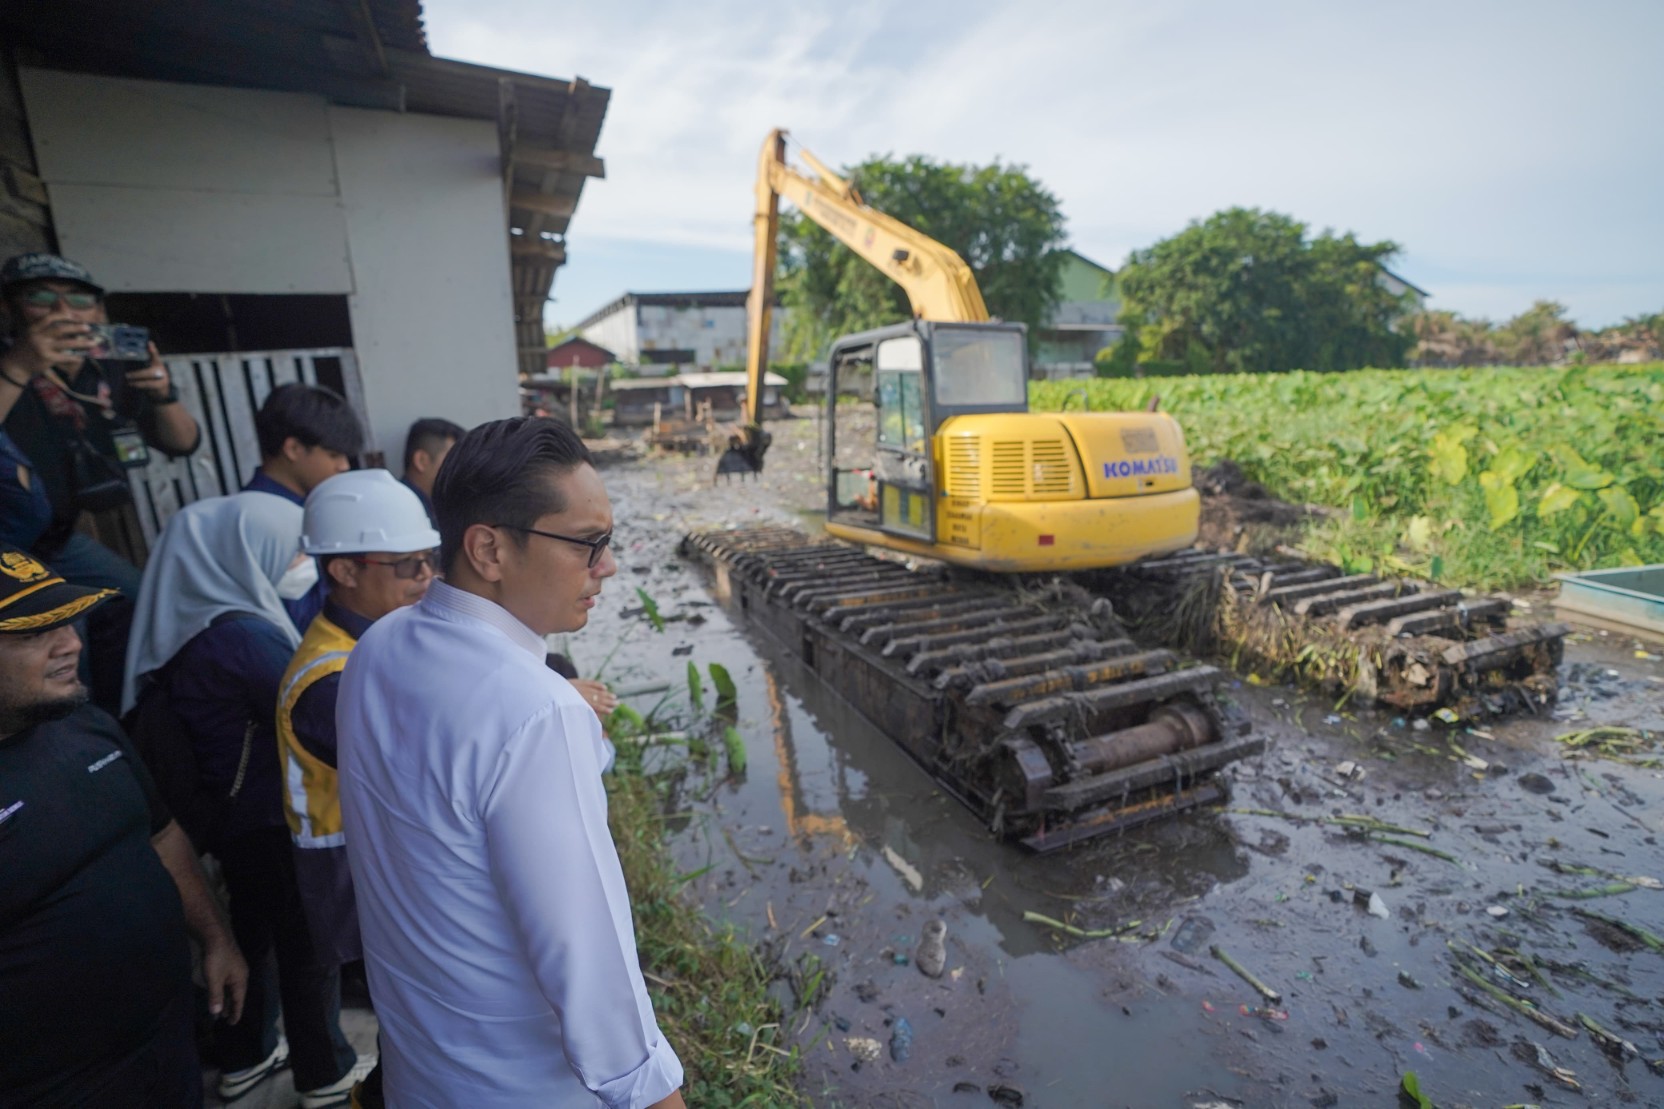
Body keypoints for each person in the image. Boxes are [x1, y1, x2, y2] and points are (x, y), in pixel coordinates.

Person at [338, 417, 686, 1107]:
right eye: (589, 544)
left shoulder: (376, 649)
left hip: (424, 1073)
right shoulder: (538, 710)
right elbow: (589, 968)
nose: (608, 567)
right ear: (489, 549)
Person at [123, 494, 373, 1107]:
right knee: (307, 953)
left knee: (249, 943)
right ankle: (326, 1072)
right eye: (288, 551)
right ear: (243, 554)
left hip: (234, 822)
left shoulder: (189, 628)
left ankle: (247, 1055)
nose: (298, 563)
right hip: (274, 822)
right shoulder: (244, 637)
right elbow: (316, 714)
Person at [0, 546, 247, 1108]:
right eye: (35, 633)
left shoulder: (87, 727)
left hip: (167, 1050)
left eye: (66, 621)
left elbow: (161, 836)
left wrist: (215, 937)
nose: (72, 644)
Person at [0, 252, 202, 714]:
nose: (64, 312)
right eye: (42, 298)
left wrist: (162, 393)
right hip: (8, 542)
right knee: (65, 638)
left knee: (140, 599)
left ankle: (132, 712)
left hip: (57, 535)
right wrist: (19, 366)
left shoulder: (107, 365)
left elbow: (183, 442)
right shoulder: (9, 363)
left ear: (101, 313)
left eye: (79, 300)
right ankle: (80, 731)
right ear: (9, 310)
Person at [243, 382, 365, 632]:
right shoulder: (268, 522)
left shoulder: (310, 507)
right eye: (334, 455)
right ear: (293, 449)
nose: (344, 466)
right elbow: (303, 621)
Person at [400, 416, 464, 527]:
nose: (462, 467)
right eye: (454, 459)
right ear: (421, 461)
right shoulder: (402, 510)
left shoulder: (438, 505)